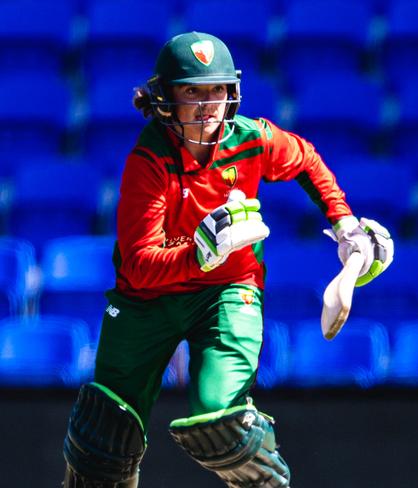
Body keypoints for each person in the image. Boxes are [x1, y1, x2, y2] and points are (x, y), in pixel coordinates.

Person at [61, 31, 394, 487]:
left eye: (216, 89)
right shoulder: (149, 161)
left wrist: (344, 223)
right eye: (191, 91)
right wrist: (200, 256)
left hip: (227, 292)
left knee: (222, 425)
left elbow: (306, 161)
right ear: (165, 98)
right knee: (101, 440)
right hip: (147, 298)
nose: (207, 104)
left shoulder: (252, 139)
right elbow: (139, 264)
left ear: (232, 92)